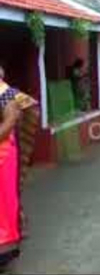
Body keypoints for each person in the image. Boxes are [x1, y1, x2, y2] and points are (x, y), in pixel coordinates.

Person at [0, 66, 37, 270]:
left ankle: (5, 253)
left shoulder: (6, 94)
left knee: (5, 202)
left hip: (4, 156)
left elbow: (10, 123)